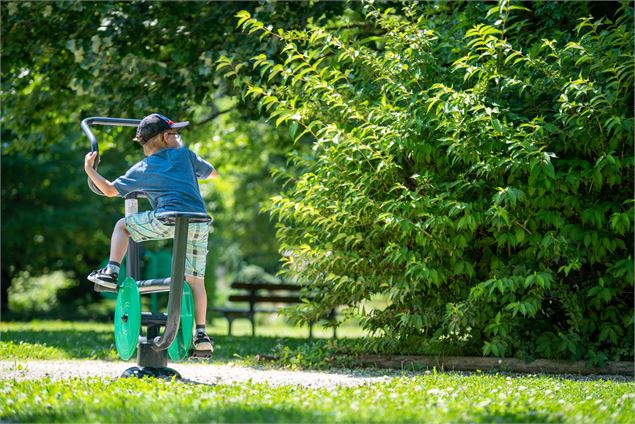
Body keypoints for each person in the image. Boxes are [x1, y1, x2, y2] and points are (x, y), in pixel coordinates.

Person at [84, 113, 217, 353]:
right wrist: (189, 161)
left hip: (168, 219)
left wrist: (90, 169)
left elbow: (110, 190)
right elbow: (213, 173)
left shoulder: (143, 168)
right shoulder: (186, 156)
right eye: (176, 133)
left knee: (123, 226)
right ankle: (201, 333)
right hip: (198, 220)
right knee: (196, 280)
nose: (179, 137)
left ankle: (111, 271)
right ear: (166, 137)